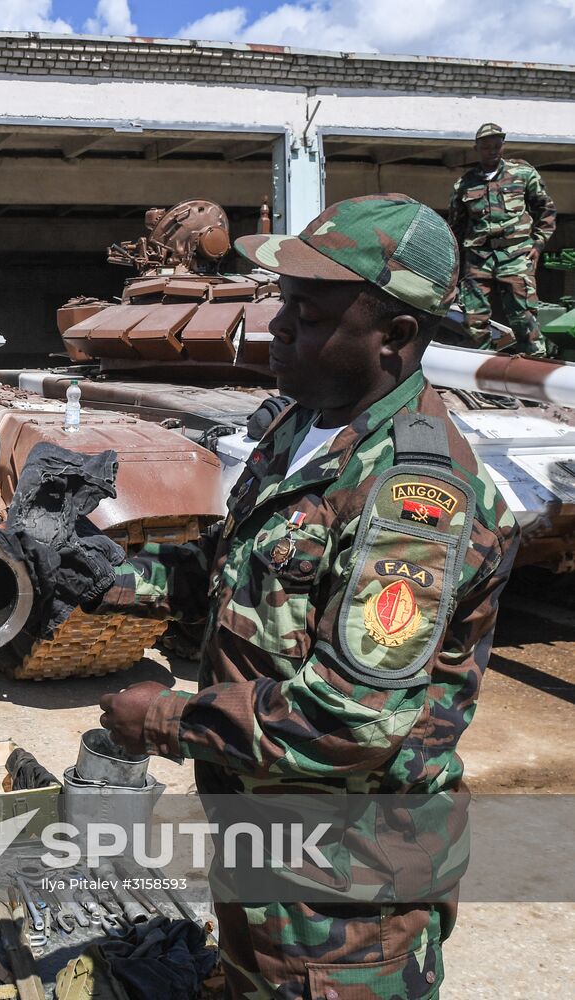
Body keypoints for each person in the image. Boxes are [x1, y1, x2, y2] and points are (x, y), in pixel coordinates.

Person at [88, 195, 520, 997]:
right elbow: (242, 579)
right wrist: (106, 575)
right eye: (281, 302)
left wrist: (164, 717)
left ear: (394, 338)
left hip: (347, 897)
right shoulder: (306, 425)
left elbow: (352, 719)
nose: (276, 326)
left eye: (309, 313)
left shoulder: (413, 501)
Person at [448, 122, 556, 355]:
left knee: (523, 315)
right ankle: (480, 372)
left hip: (515, 254)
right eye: (486, 146)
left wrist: (538, 244)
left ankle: (535, 368)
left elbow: (545, 210)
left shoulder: (523, 174)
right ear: (476, 148)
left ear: (503, 146)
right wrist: (457, 262)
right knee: (474, 320)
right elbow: (456, 226)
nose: (492, 150)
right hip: (478, 258)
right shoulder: (465, 184)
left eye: (497, 145)